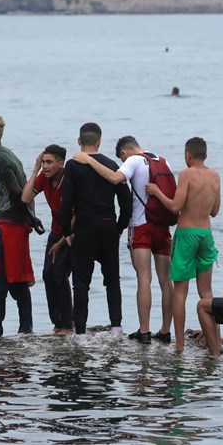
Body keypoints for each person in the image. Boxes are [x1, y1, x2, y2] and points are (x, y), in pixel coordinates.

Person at [73, 135, 173, 344]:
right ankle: (165, 330)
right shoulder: (162, 160)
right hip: (162, 226)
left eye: (121, 159)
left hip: (141, 225)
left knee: (144, 277)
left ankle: (144, 331)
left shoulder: (134, 160)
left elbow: (115, 179)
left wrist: (89, 160)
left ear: (125, 153)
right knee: (166, 281)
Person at [58, 122, 132, 340]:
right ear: (99, 141)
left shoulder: (73, 166)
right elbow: (125, 201)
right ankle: (116, 329)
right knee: (112, 280)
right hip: (108, 225)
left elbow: (66, 202)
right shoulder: (111, 164)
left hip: (85, 227)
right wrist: (119, 226)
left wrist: (66, 232)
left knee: (81, 283)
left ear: (79, 142)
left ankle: (80, 333)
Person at [145, 136, 220, 351]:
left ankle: (178, 345)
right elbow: (215, 211)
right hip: (206, 235)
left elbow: (175, 206)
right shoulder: (215, 176)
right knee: (206, 293)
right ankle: (213, 341)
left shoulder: (186, 174)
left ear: (188, 155)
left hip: (187, 234)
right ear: (205, 154)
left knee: (180, 290)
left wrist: (157, 192)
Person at [0, 115, 41, 337]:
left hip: (10, 226)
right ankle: (26, 329)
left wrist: (31, 218)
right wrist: (32, 217)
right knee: (16, 279)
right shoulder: (9, 155)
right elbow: (27, 191)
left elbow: (15, 190)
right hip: (17, 224)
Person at [21, 143, 73, 334]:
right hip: (56, 231)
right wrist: (35, 169)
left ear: (61, 164)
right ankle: (57, 323)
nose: (45, 166)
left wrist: (62, 242)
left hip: (73, 232)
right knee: (47, 274)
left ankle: (68, 324)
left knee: (60, 274)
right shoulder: (44, 176)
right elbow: (25, 198)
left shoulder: (69, 179)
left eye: (49, 162)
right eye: (43, 162)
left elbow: (78, 215)